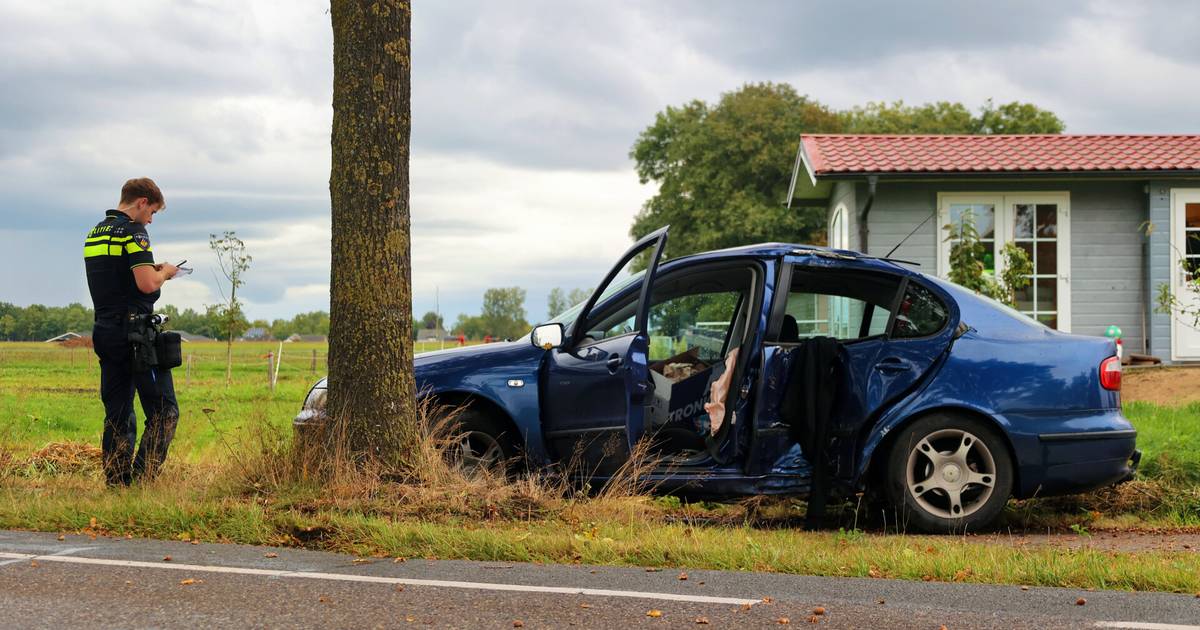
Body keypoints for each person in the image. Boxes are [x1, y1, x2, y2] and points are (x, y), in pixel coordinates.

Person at [83, 178, 180, 486]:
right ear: (141, 202)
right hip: (136, 335)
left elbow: (117, 278)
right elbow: (146, 284)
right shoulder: (134, 232)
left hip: (105, 329)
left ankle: (116, 481)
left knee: (118, 411)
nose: (150, 219)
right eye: (152, 211)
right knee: (164, 412)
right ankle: (141, 480)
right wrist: (165, 272)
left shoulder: (94, 233)